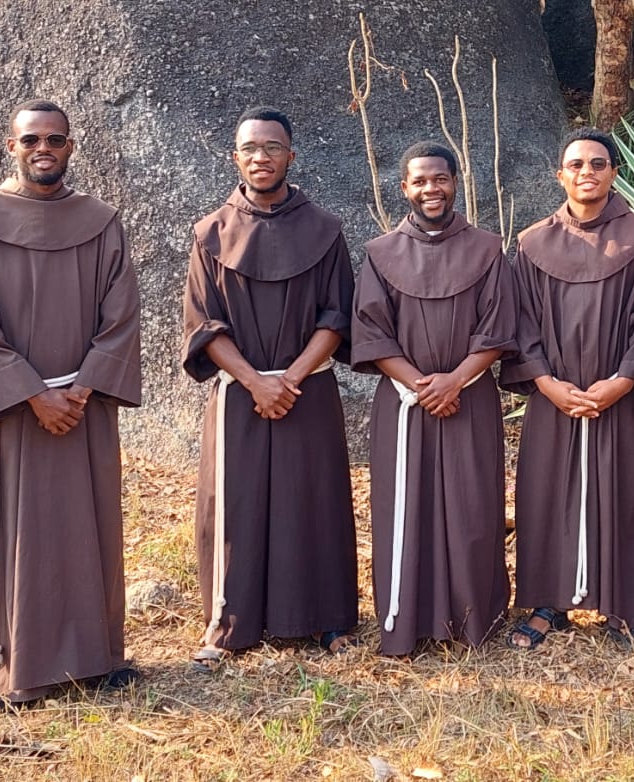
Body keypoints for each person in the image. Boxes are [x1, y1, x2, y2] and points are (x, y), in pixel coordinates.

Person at [0, 99, 142, 705]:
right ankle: (13, 664)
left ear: (70, 147)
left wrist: (81, 388)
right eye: (31, 139)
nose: (44, 149)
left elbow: (121, 315)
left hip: (83, 405)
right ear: (12, 146)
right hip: (15, 412)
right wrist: (35, 395)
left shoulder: (101, 222)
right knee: (16, 532)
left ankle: (96, 657)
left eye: (55, 139)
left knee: (90, 526)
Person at [181, 106, 358, 671]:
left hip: (308, 388)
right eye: (250, 148)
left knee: (315, 499)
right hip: (241, 391)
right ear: (235, 157)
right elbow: (204, 324)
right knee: (236, 504)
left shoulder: (325, 230)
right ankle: (228, 622)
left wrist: (290, 378)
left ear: (291, 156)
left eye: (273, 147)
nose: (261, 157)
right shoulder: (210, 233)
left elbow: (337, 316)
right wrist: (257, 381)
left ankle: (326, 618)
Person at [351, 141, 517, 656]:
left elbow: (498, 326)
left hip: (469, 397)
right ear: (404, 187)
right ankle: (407, 621)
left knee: (472, 507)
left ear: (455, 183)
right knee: (405, 507)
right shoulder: (381, 254)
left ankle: (473, 619)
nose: (431, 189)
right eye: (420, 181)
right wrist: (423, 386)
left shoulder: (487, 250)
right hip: (405, 403)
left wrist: (453, 381)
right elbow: (371, 331)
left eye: (440, 179)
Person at [501, 128, 634, 651]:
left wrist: (624, 379)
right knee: (548, 492)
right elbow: (520, 320)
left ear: (614, 172)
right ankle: (549, 602)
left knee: (629, 491)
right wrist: (547, 383)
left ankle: (628, 605)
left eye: (597, 163)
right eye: (576, 164)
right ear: (560, 176)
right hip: (555, 395)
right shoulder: (532, 243)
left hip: (622, 392)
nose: (586, 172)